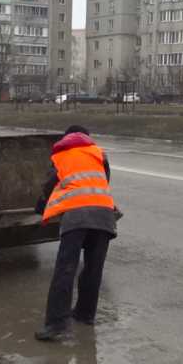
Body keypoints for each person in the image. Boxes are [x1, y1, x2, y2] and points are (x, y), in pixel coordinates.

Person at [34, 125, 120, 341]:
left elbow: (50, 186)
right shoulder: (100, 154)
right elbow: (103, 180)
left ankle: (56, 324)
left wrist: (42, 205)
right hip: (104, 216)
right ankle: (85, 314)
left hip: (76, 217)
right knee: (93, 268)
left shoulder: (61, 156)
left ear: (67, 138)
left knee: (66, 268)